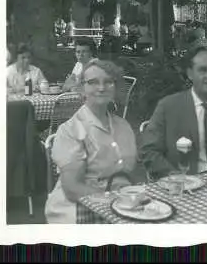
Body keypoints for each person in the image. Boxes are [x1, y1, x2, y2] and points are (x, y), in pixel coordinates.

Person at [45, 59, 139, 223]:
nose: (101, 88)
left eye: (108, 82)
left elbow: (127, 173)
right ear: (82, 89)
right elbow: (72, 189)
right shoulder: (70, 130)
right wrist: (113, 200)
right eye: (93, 82)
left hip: (118, 203)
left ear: (115, 87)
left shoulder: (123, 126)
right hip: (76, 208)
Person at [140, 47, 207, 178]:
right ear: (190, 73)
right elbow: (149, 151)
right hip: (183, 185)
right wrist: (174, 176)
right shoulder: (168, 106)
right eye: (203, 70)